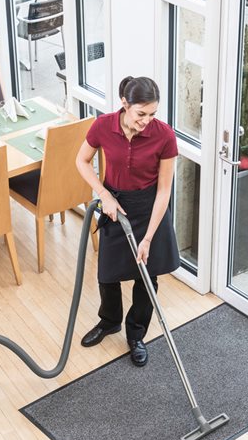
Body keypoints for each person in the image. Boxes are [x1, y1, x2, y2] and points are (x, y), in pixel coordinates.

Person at [75, 75, 179, 366]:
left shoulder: (164, 136)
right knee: (107, 273)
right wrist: (104, 195)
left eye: (152, 114)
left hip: (150, 209)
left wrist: (148, 238)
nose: (146, 121)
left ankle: (136, 334)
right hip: (116, 206)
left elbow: (164, 191)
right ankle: (110, 321)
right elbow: (81, 161)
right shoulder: (103, 126)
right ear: (125, 104)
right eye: (141, 114)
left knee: (146, 276)